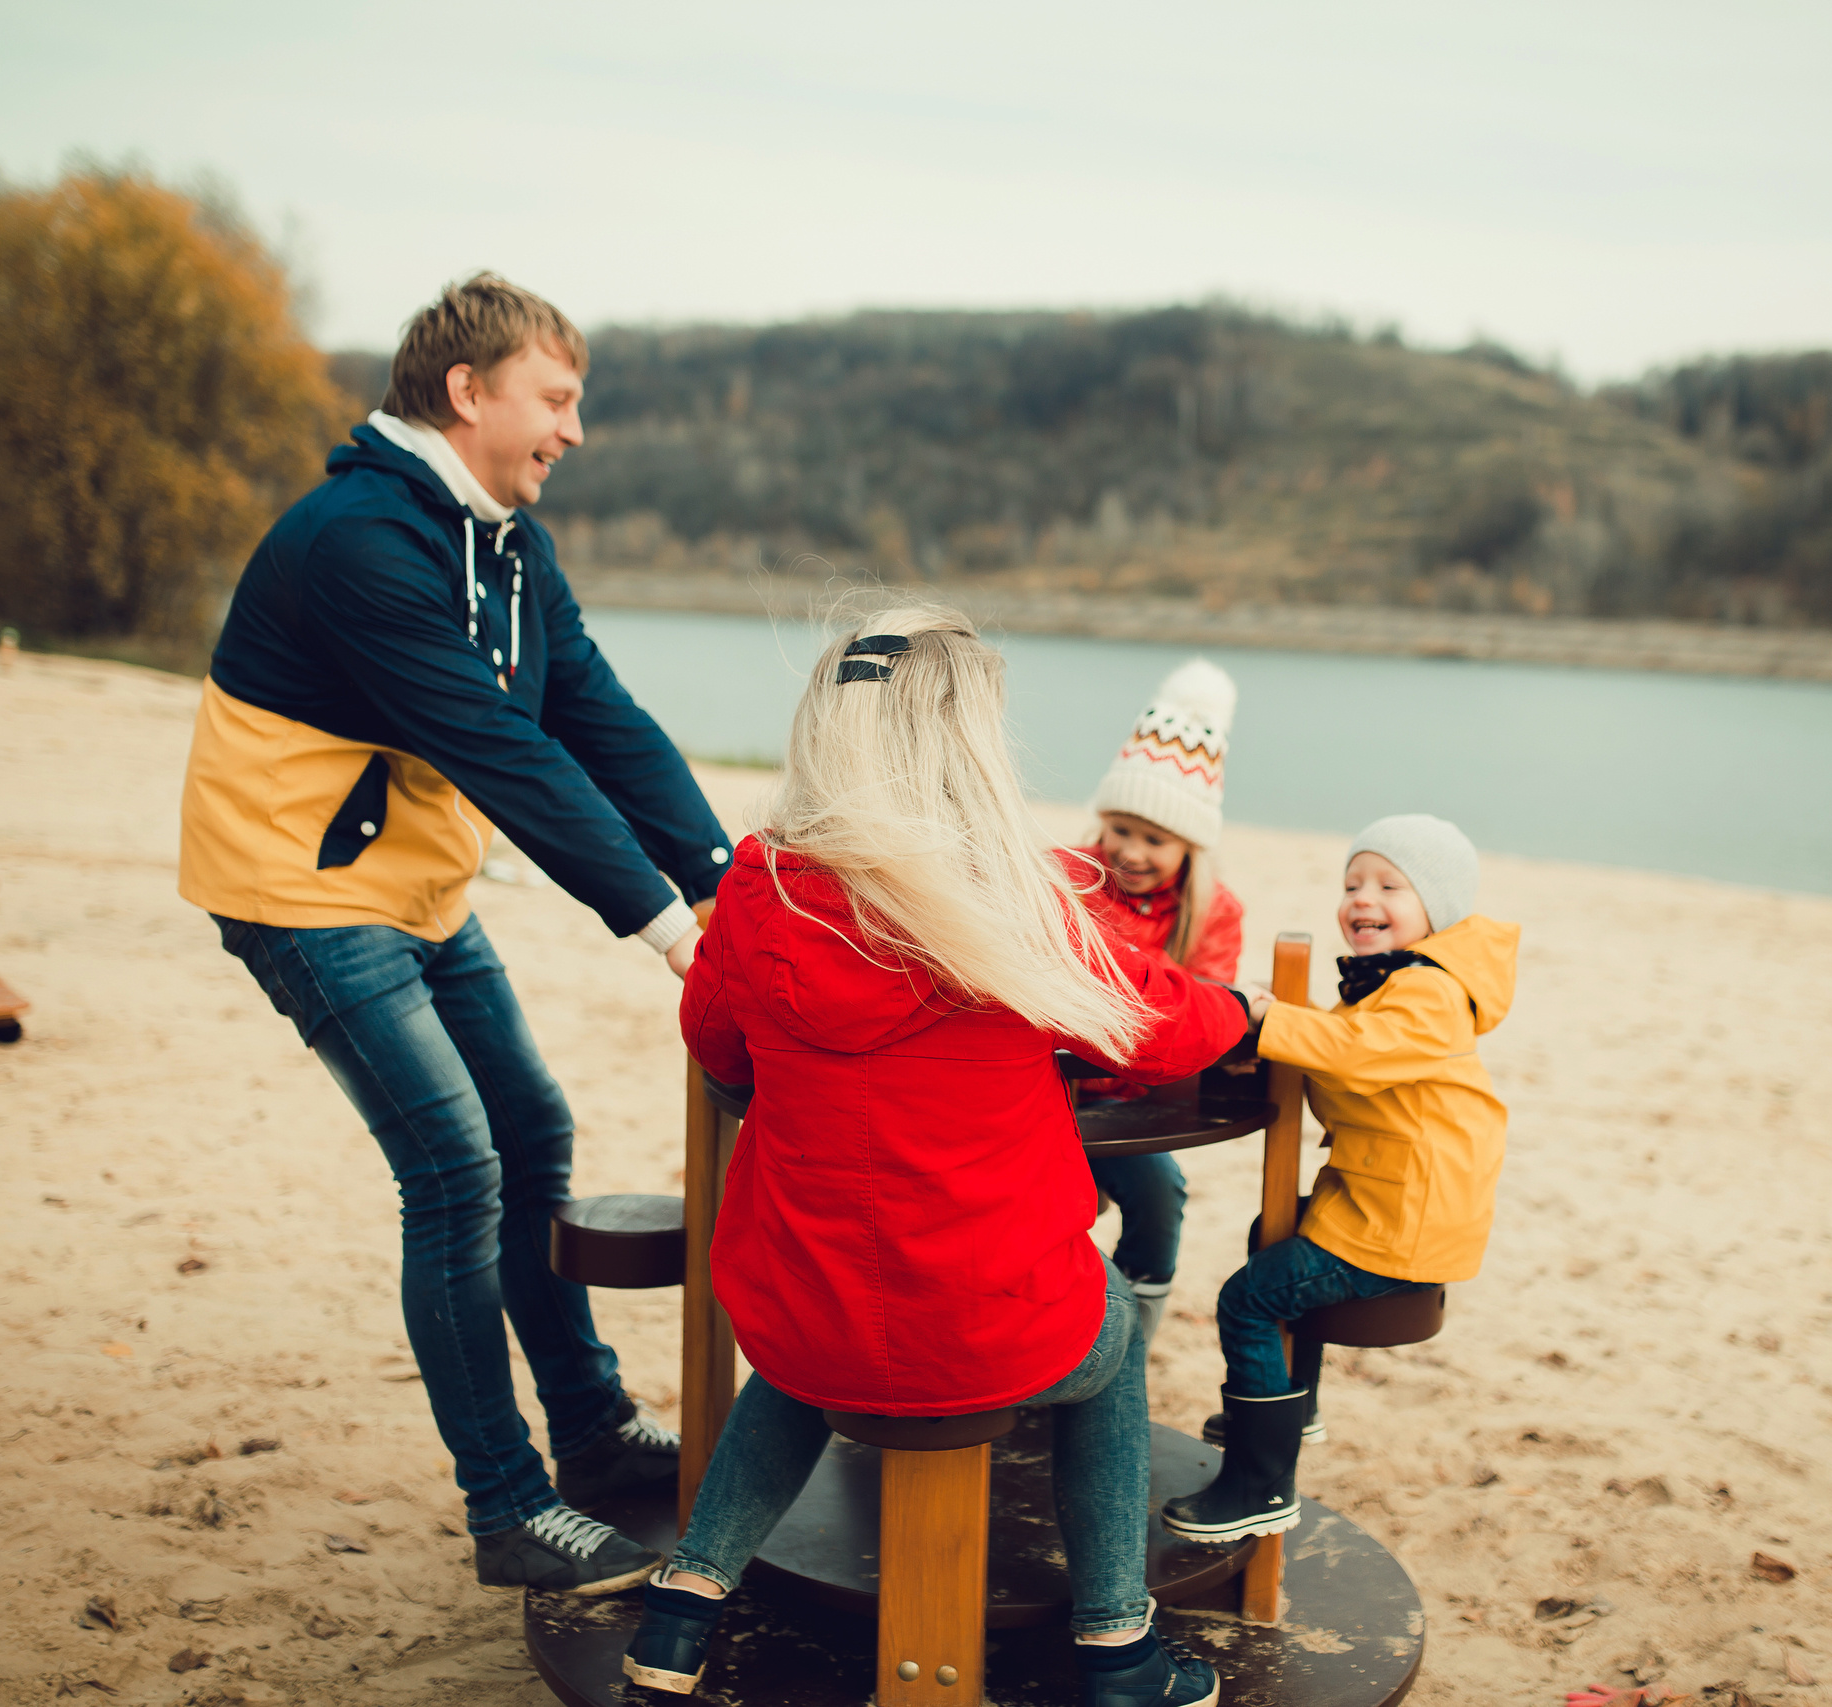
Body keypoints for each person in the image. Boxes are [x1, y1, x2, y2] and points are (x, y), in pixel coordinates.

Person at [180, 274, 731, 1597]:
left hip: (412, 885)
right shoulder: (358, 541)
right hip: (301, 889)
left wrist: (728, 874)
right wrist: (665, 924)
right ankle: (507, 1501)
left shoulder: (508, 542)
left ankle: (594, 1438)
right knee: (457, 1161)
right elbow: (496, 747)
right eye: (556, 397)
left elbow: (595, 711)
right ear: (465, 390)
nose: (574, 430)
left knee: (533, 1132)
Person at [624, 601, 1241, 1707]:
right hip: (998, 1324)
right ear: (969, 747)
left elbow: (714, 1042)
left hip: (809, 1314)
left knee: (806, 1350)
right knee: (1107, 1344)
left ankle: (681, 1608)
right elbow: (1161, 1028)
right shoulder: (1013, 901)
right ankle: (1118, 1647)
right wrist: (1240, 1011)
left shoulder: (758, 889)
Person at [1162, 814, 1520, 1545]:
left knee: (1250, 1297)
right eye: (1353, 882)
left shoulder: (1429, 990)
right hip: (1384, 1196)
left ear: (1436, 909)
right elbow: (1345, 1048)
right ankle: (1291, 1403)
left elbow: (1360, 1052)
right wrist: (1282, 1021)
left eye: (1391, 885)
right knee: (1274, 1232)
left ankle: (1260, 1481)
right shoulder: (1397, 981)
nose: (1364, 898)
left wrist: (1267, 1018)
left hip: (1402, 1217)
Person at [1065, 659, 1246, 1344]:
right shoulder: (1071, 877)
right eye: (1121, 829)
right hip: (1055, 1090)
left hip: (1132, 1099)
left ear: (1189, 844)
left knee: (1160, 1192)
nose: (1131, 851)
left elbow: (1203, 1012)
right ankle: (1058, 1323)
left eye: (1155, 838)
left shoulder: (1212, 912)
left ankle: (1131, 1334)